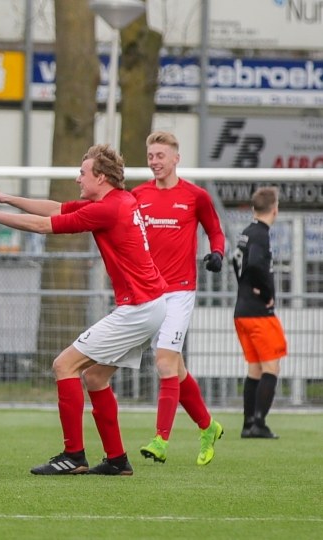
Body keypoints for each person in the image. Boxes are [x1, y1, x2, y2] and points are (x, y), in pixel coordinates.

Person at [0, 144, 166, 476]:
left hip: (140, 309)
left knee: (64, 365)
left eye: (83, 173)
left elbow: (44, 225)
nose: (77, 178)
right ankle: (116, 460)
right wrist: (5, 198)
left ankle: (73, 455)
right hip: (151, 306)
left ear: (100, 176)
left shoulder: (107, 209)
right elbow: (56, 207)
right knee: (95, 377)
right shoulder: (115, 201)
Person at [132, 131, 226, 466]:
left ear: (176, 158)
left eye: (161, 155)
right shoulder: (137, 195)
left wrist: (217, 253)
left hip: (180, 291)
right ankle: (208, 426)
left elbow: (215, 230)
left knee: (163, 363)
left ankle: (161, 440)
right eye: (151, 156)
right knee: (176, 368)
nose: (155, 161)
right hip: (148, 293)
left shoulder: (195, 196)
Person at [232, 187, 286, 439]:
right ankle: (259, 423)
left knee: (255, 368)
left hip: (241, 310)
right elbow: (254, 263)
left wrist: (244, 286)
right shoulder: (261, 234)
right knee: (271, 367)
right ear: (274, 208)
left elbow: (237, 262)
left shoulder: (245, 232)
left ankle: (247, 423)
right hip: (258, 312)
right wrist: (265, 294)